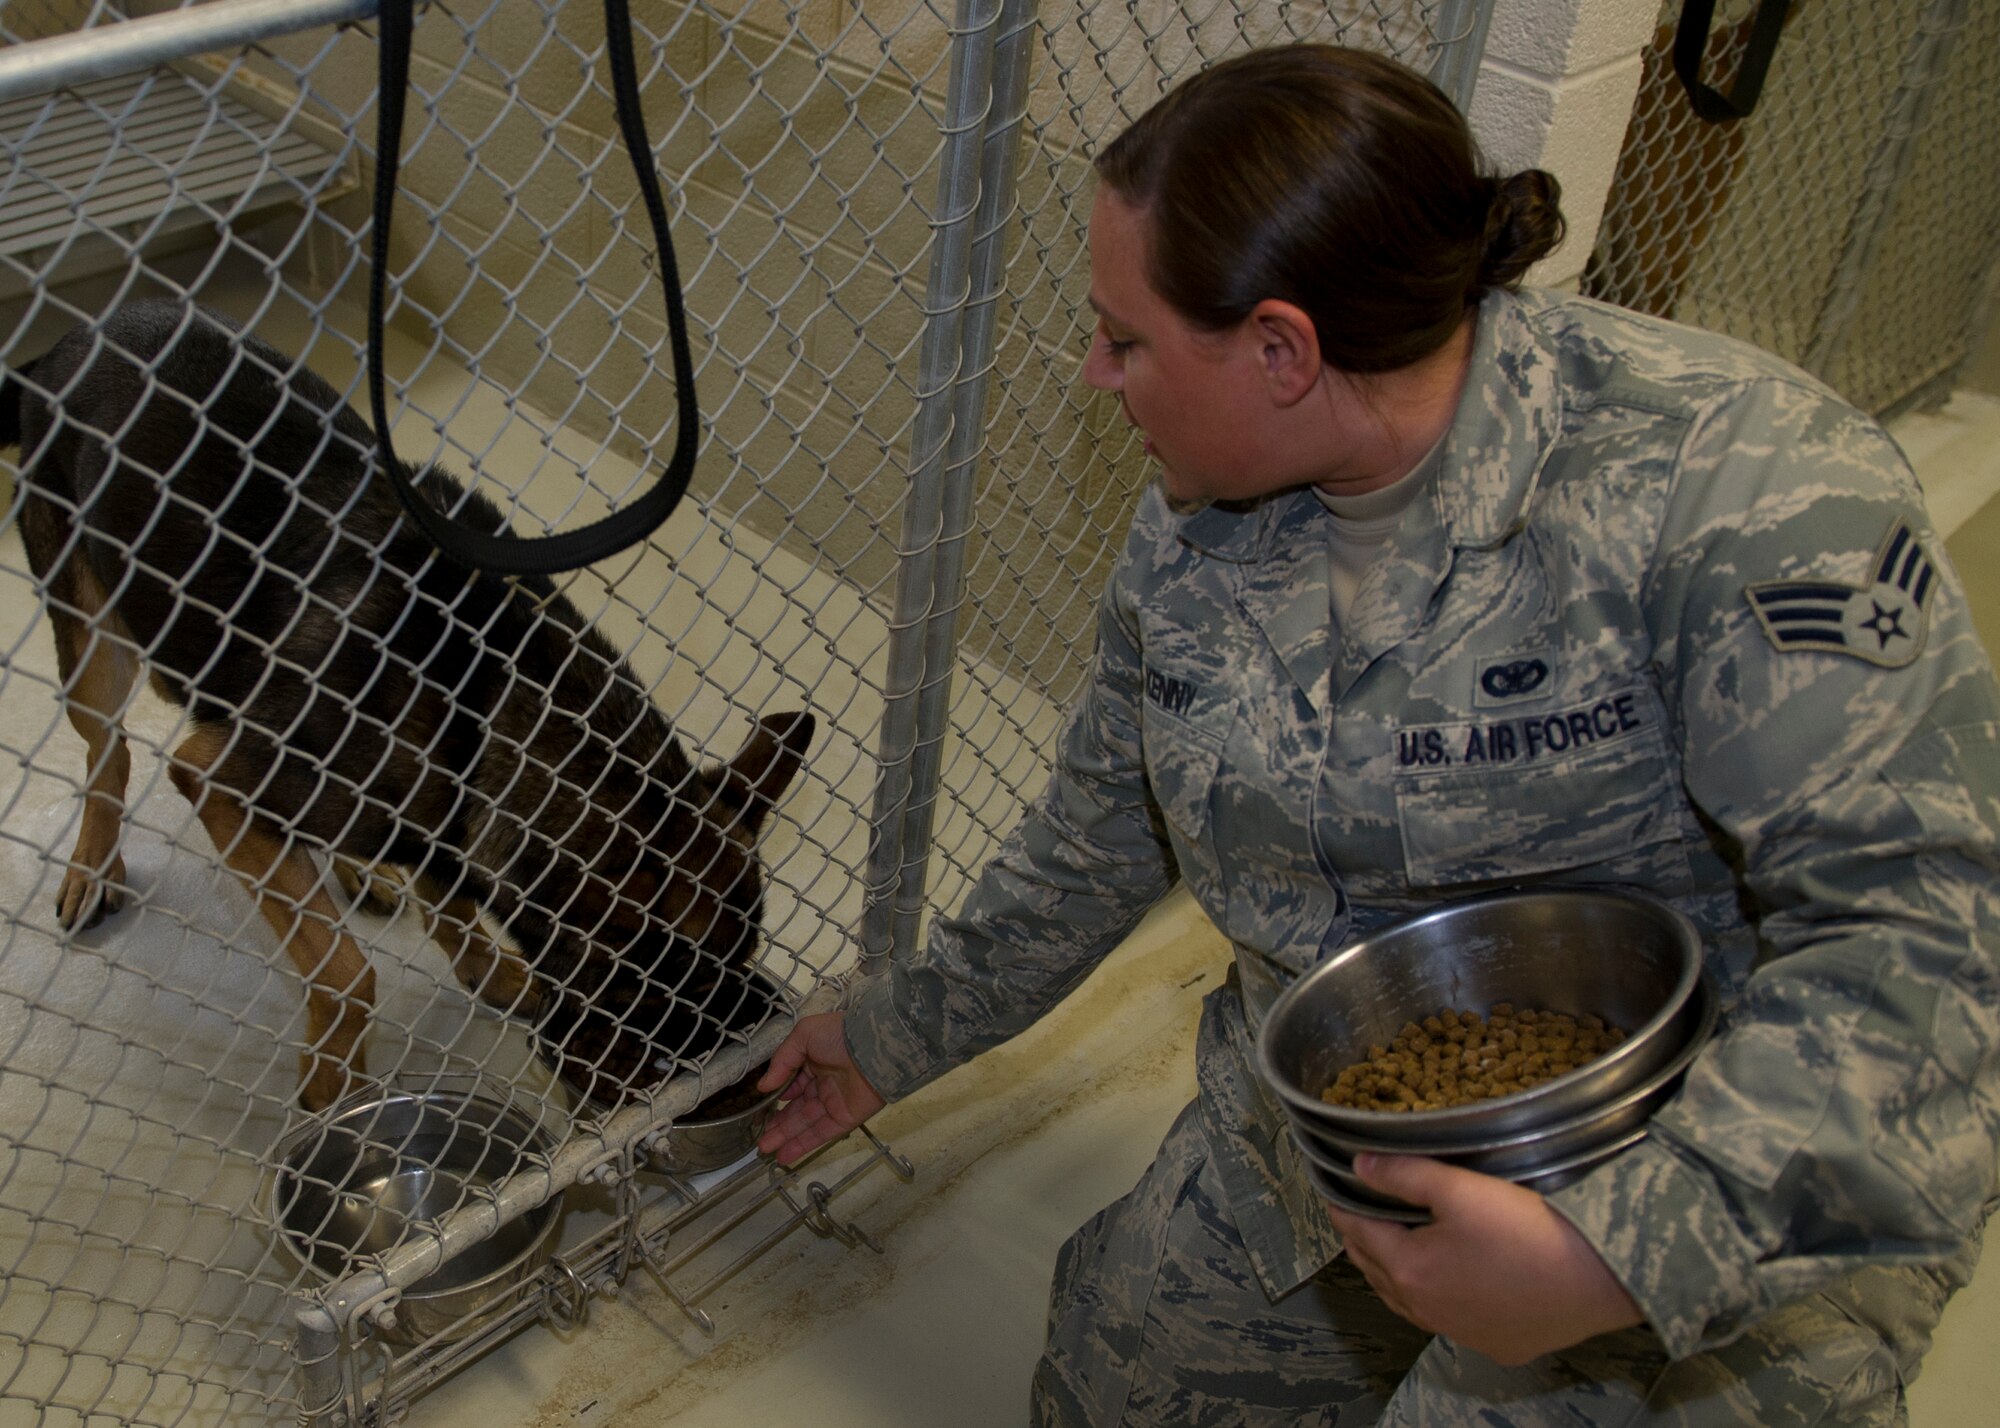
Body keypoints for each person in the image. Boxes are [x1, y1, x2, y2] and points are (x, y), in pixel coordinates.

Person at [756, 43, 2000, 1427]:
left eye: (1126, 339)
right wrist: (896, 1034)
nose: (1095, 375)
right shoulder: (1200, 514)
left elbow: (1936, 946)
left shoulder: (1738, 489)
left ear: (1282, 350)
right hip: (1336, 1133)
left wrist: (1620, 1253)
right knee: (1116, 1379)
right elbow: (1101, 825)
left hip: (1695, 1155)